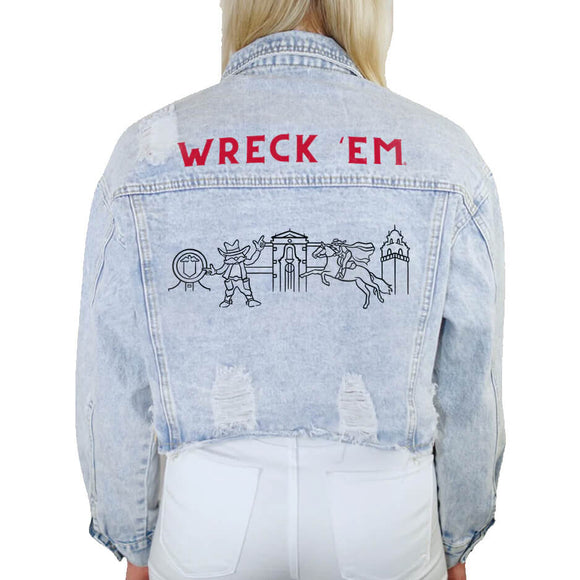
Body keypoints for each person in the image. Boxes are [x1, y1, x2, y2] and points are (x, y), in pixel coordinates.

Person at [75, 1, 506, 580]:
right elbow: (470, 384)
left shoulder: (146, 154)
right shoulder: (445, 155)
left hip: (212, 509)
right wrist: (459, 537)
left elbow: (114, 380)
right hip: (384, 512)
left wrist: (132, 537)